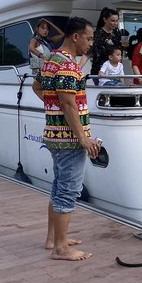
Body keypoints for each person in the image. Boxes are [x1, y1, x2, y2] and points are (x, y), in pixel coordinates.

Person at [31, 17, 100, 261]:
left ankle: (53, 238)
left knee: (59, 186)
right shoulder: (69, 65)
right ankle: (60, 247)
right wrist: (83, 137)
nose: (90, 43)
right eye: (89, 38)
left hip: (54, 135)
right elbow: (69, 103)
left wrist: (53, 108)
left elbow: (36, 87)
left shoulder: (51, 59)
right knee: (68, 191)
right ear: (76, 37)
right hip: (70, 139)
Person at [89, 8, 122, 84]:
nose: (115, 23)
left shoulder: (117, 33)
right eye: (112, 21)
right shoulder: (98, 34)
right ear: (105, 20)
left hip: (115, 70)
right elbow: (89, 52)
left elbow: (119, 52)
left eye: (116, 21)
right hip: (100, 70)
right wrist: (79, 66)